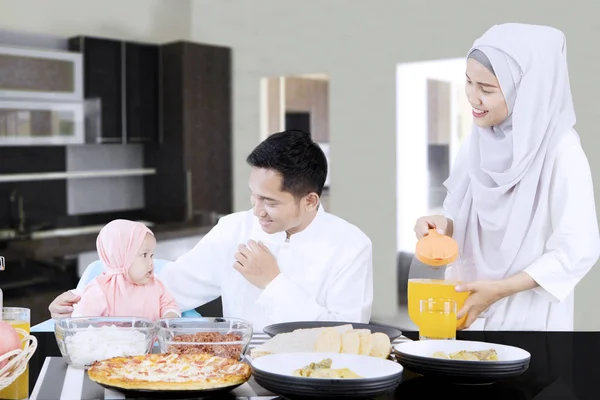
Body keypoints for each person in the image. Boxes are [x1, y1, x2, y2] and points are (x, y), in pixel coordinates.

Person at [50, 130, 373, 330]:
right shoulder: (234, 229)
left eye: (270, 202)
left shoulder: (350, 245)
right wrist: (77, 309)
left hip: (312, 379)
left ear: (310, 200)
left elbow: (348, 333)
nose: (256, 210)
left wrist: (272, 283)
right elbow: (166, 291)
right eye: (253, 195)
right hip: (236, 372)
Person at [414, 23, 600, 331]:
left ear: (526, 91)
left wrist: (498, 290)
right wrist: (438, 227)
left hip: (528, 321)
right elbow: (461, 218)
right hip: (465, 312)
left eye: (486, 90)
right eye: (469, 82)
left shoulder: (561, 151)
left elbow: (578, 249)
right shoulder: (477, 141)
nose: (472, 98)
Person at [71, 219, 180, 320]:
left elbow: (170, 306)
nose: (151, 262)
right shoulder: (101, 289)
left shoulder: (156, 285)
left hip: (151, 341)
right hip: (110, 341)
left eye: (151, 255)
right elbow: (79, 320)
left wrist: (169, 317)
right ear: (122, 256)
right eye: (144, 255)